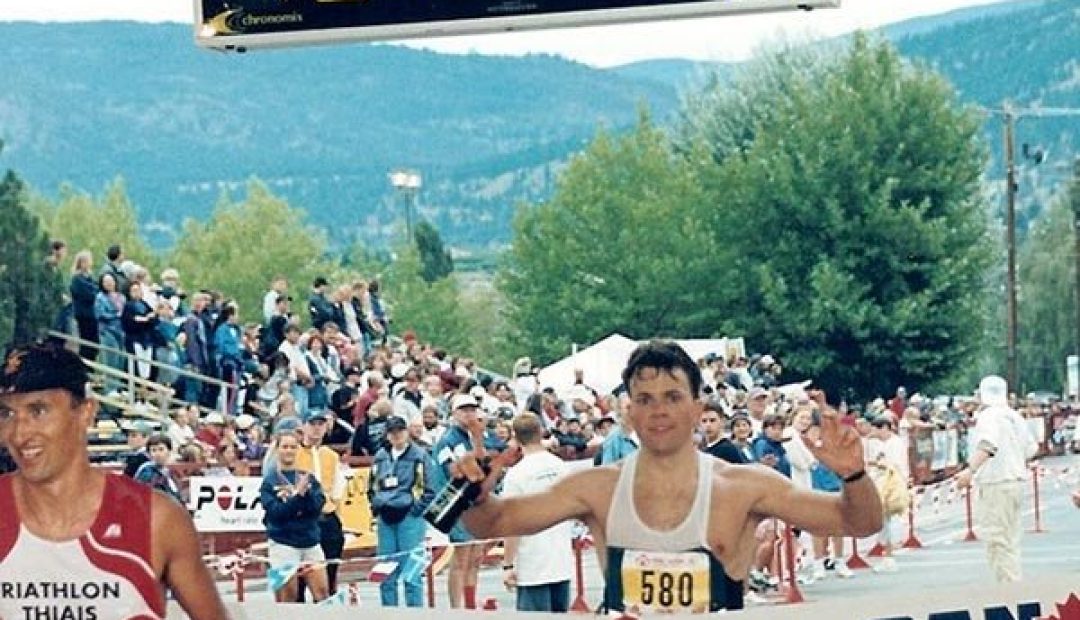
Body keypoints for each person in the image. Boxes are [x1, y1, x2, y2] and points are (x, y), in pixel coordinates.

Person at [454, 340, 882, 614]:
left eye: (673, 397)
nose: (659, 410)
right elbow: (491, 523)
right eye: (645, 399)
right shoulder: (597, 489)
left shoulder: (745, 486)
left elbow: (860, 522)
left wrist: (854, 475)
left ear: (697, 408)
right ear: (630, 411)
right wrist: (474, 492)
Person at [0, 341, 229, 619]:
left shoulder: (157, 519)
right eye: (6, 413)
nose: (19, 433)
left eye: (39, 411)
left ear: (86, 412)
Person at [955, 375, 1038, 583]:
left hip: (995, 481)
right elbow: (1031, 448)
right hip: (1015, 480)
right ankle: (1014, 584)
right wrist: (1013, 456)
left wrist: (970, 470)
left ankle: (1008, 589)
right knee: (1011, 540)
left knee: (997, 540)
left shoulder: (989, 416)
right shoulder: (1014, 416)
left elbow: (988, 444)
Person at [500, 412, 574, 612]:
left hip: (532, 565)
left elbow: (512, 524)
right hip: (561, 562)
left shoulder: (517, 475)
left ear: (515, 438)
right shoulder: (561, 467)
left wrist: (508, 564)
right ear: (541, 432)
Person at [368, 416, 436, 607]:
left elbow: (430, 489)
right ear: (387, 435)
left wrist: (415, 510)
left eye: (400, 431)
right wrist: (376, 506)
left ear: (407, 432)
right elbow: (371, 486)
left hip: (410, 518)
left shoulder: (419, 456)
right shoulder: (381, 456)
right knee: (386, 572)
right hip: (385, 518)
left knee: (411, 572)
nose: (396, 435)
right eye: (392, 432)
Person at [260, 425, 330, 603]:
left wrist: (305, 496)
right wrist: (298, 497)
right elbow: (276, 513)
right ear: (278, 449)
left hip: (310, 541)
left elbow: (317, 507)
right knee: (288, 596)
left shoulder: (308, 477)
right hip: (283, 543)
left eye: (293, 447)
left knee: (322, 594)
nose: (289, 451)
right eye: (285, 447)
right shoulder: (269, 482)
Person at [431, 393, 488, 609]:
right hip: (454, 501)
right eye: (464, 410)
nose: (469, 414)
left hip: (472, 502)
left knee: (475, 557)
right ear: (454, 413)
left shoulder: (472, 437)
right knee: (462, 558)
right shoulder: (448, 440)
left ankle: (470, 604)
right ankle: (457, 607)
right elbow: (452, 472)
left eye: (472, 409)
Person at [295, 410, 348, 600]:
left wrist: (337, 516)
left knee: (330, 572)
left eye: (321, 424)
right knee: (301, 576)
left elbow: (337, 489)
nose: (317, 429)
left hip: (327, 517)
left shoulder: (331, 456)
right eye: (312, 424)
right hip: (303, 518)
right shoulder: (294, 453)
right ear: (303, 426)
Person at [134, 433, 184, 504]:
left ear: (169, 451)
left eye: (161, 449)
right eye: (154, 450)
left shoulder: (171, 472)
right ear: (149, 454)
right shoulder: (147, 472)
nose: (157, 454)